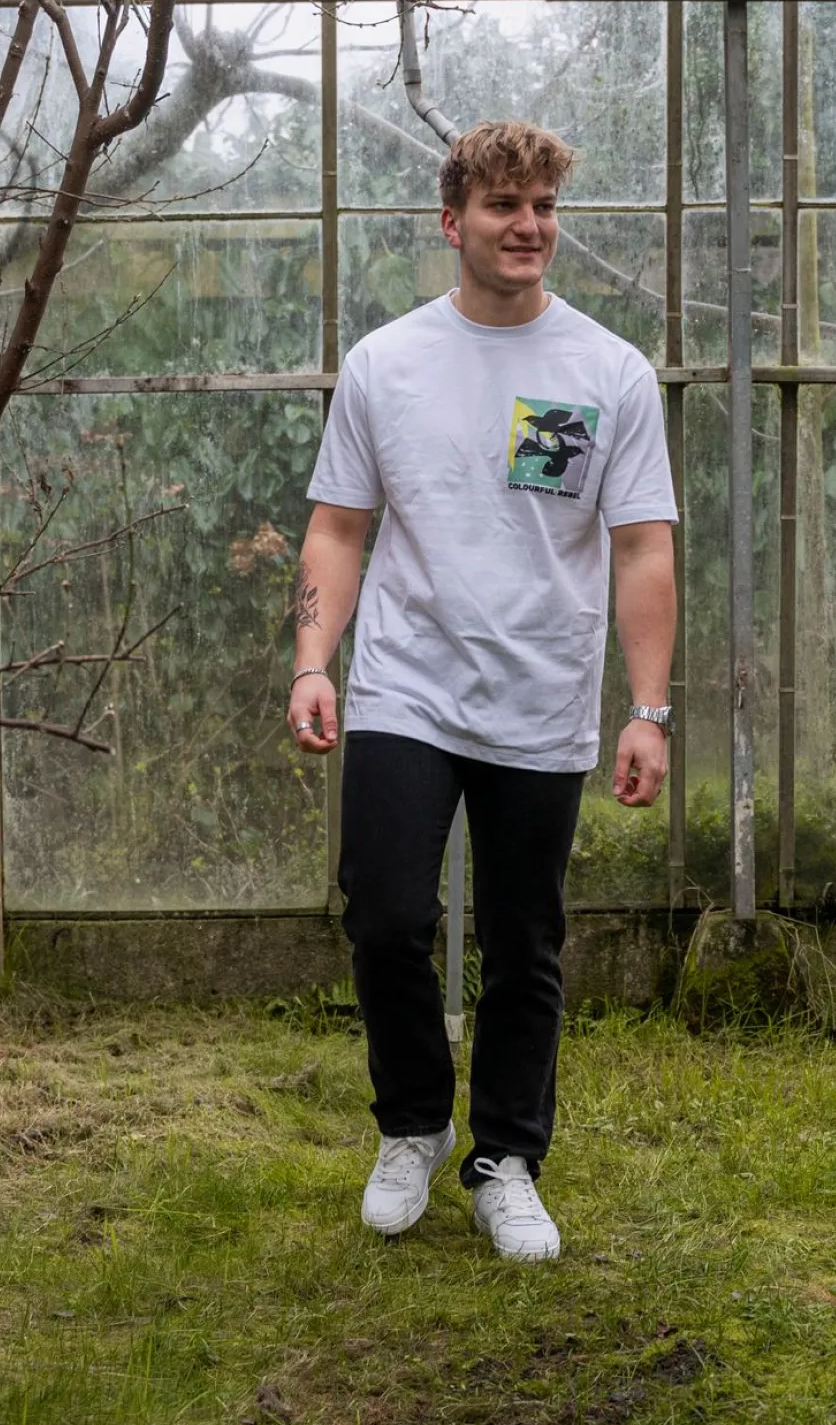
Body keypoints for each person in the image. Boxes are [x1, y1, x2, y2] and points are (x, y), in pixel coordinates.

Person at [288, 120, 677, 1262]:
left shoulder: (606, 371)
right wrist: (313, 662)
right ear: (451, 221)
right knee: (384, 916)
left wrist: (646, 711)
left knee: (524, 942)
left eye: (544, 207)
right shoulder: (386, 364)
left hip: (541, 696)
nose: (528, 227)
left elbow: (642, 548)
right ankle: (413, 1124)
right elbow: (338, 527)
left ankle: (506, 1159)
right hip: (404, 685)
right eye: (505, 206)